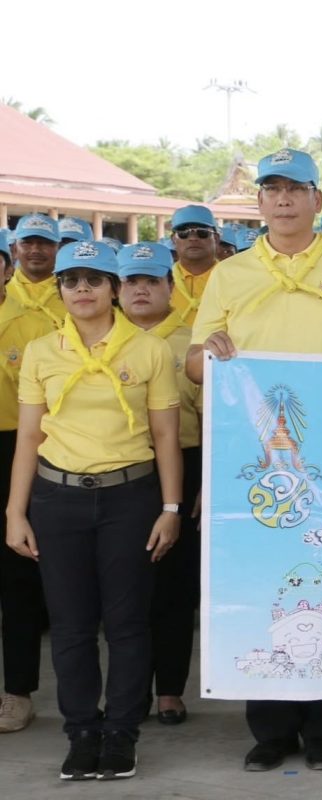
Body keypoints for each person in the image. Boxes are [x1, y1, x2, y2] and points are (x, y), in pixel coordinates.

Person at [186, 148, 322, 773]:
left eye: (294, 189)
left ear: (316, 200)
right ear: (260, 202)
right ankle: (270, 727)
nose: (282, 199)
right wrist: (209, 354)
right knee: (262, 581)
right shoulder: (230, 274)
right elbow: (194, 366)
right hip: (252, 461)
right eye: (271, 188)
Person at [6, 239, 182, 780]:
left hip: (130, 497)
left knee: (127, 623)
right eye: (70, 280)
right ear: (59, 290)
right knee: (71, 625)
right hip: (57, 499)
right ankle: (82, 731)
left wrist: (170, 507)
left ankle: (122, 732)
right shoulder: (42, 351)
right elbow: (30, 436)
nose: (81, 289)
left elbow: (165, 435)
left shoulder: (149, 350)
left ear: (114, 288)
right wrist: (15, 512)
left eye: (94, 279)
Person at [117, 242, 202, 727]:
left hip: (185, 465)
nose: (141, 290)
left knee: (174, 587)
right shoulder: (99, 339)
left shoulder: (193, 342)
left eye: (151, 281)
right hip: (121, 469)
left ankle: (169, 690)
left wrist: (206, 481)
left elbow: (213, 418)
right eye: (131, 281)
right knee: (123, 590)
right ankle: (128, 693)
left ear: (171, 287)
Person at [0, 230, 53, 735]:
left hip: (16, 448)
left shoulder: (37, 325)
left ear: (6, 266)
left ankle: (17, 692)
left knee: (16, 575)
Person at [7, 214, 65, 330]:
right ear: (15, 250)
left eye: (45, 242)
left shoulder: (74, 293)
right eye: (27, 243)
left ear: (59, 249)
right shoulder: (2, 291)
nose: (35, 250)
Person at [170, 205, 220, 327]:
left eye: (202, 233)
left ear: (216, 238)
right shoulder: (161, 281)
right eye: (183, 233)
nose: (193, 238)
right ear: (173, 240)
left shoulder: (233, 278)